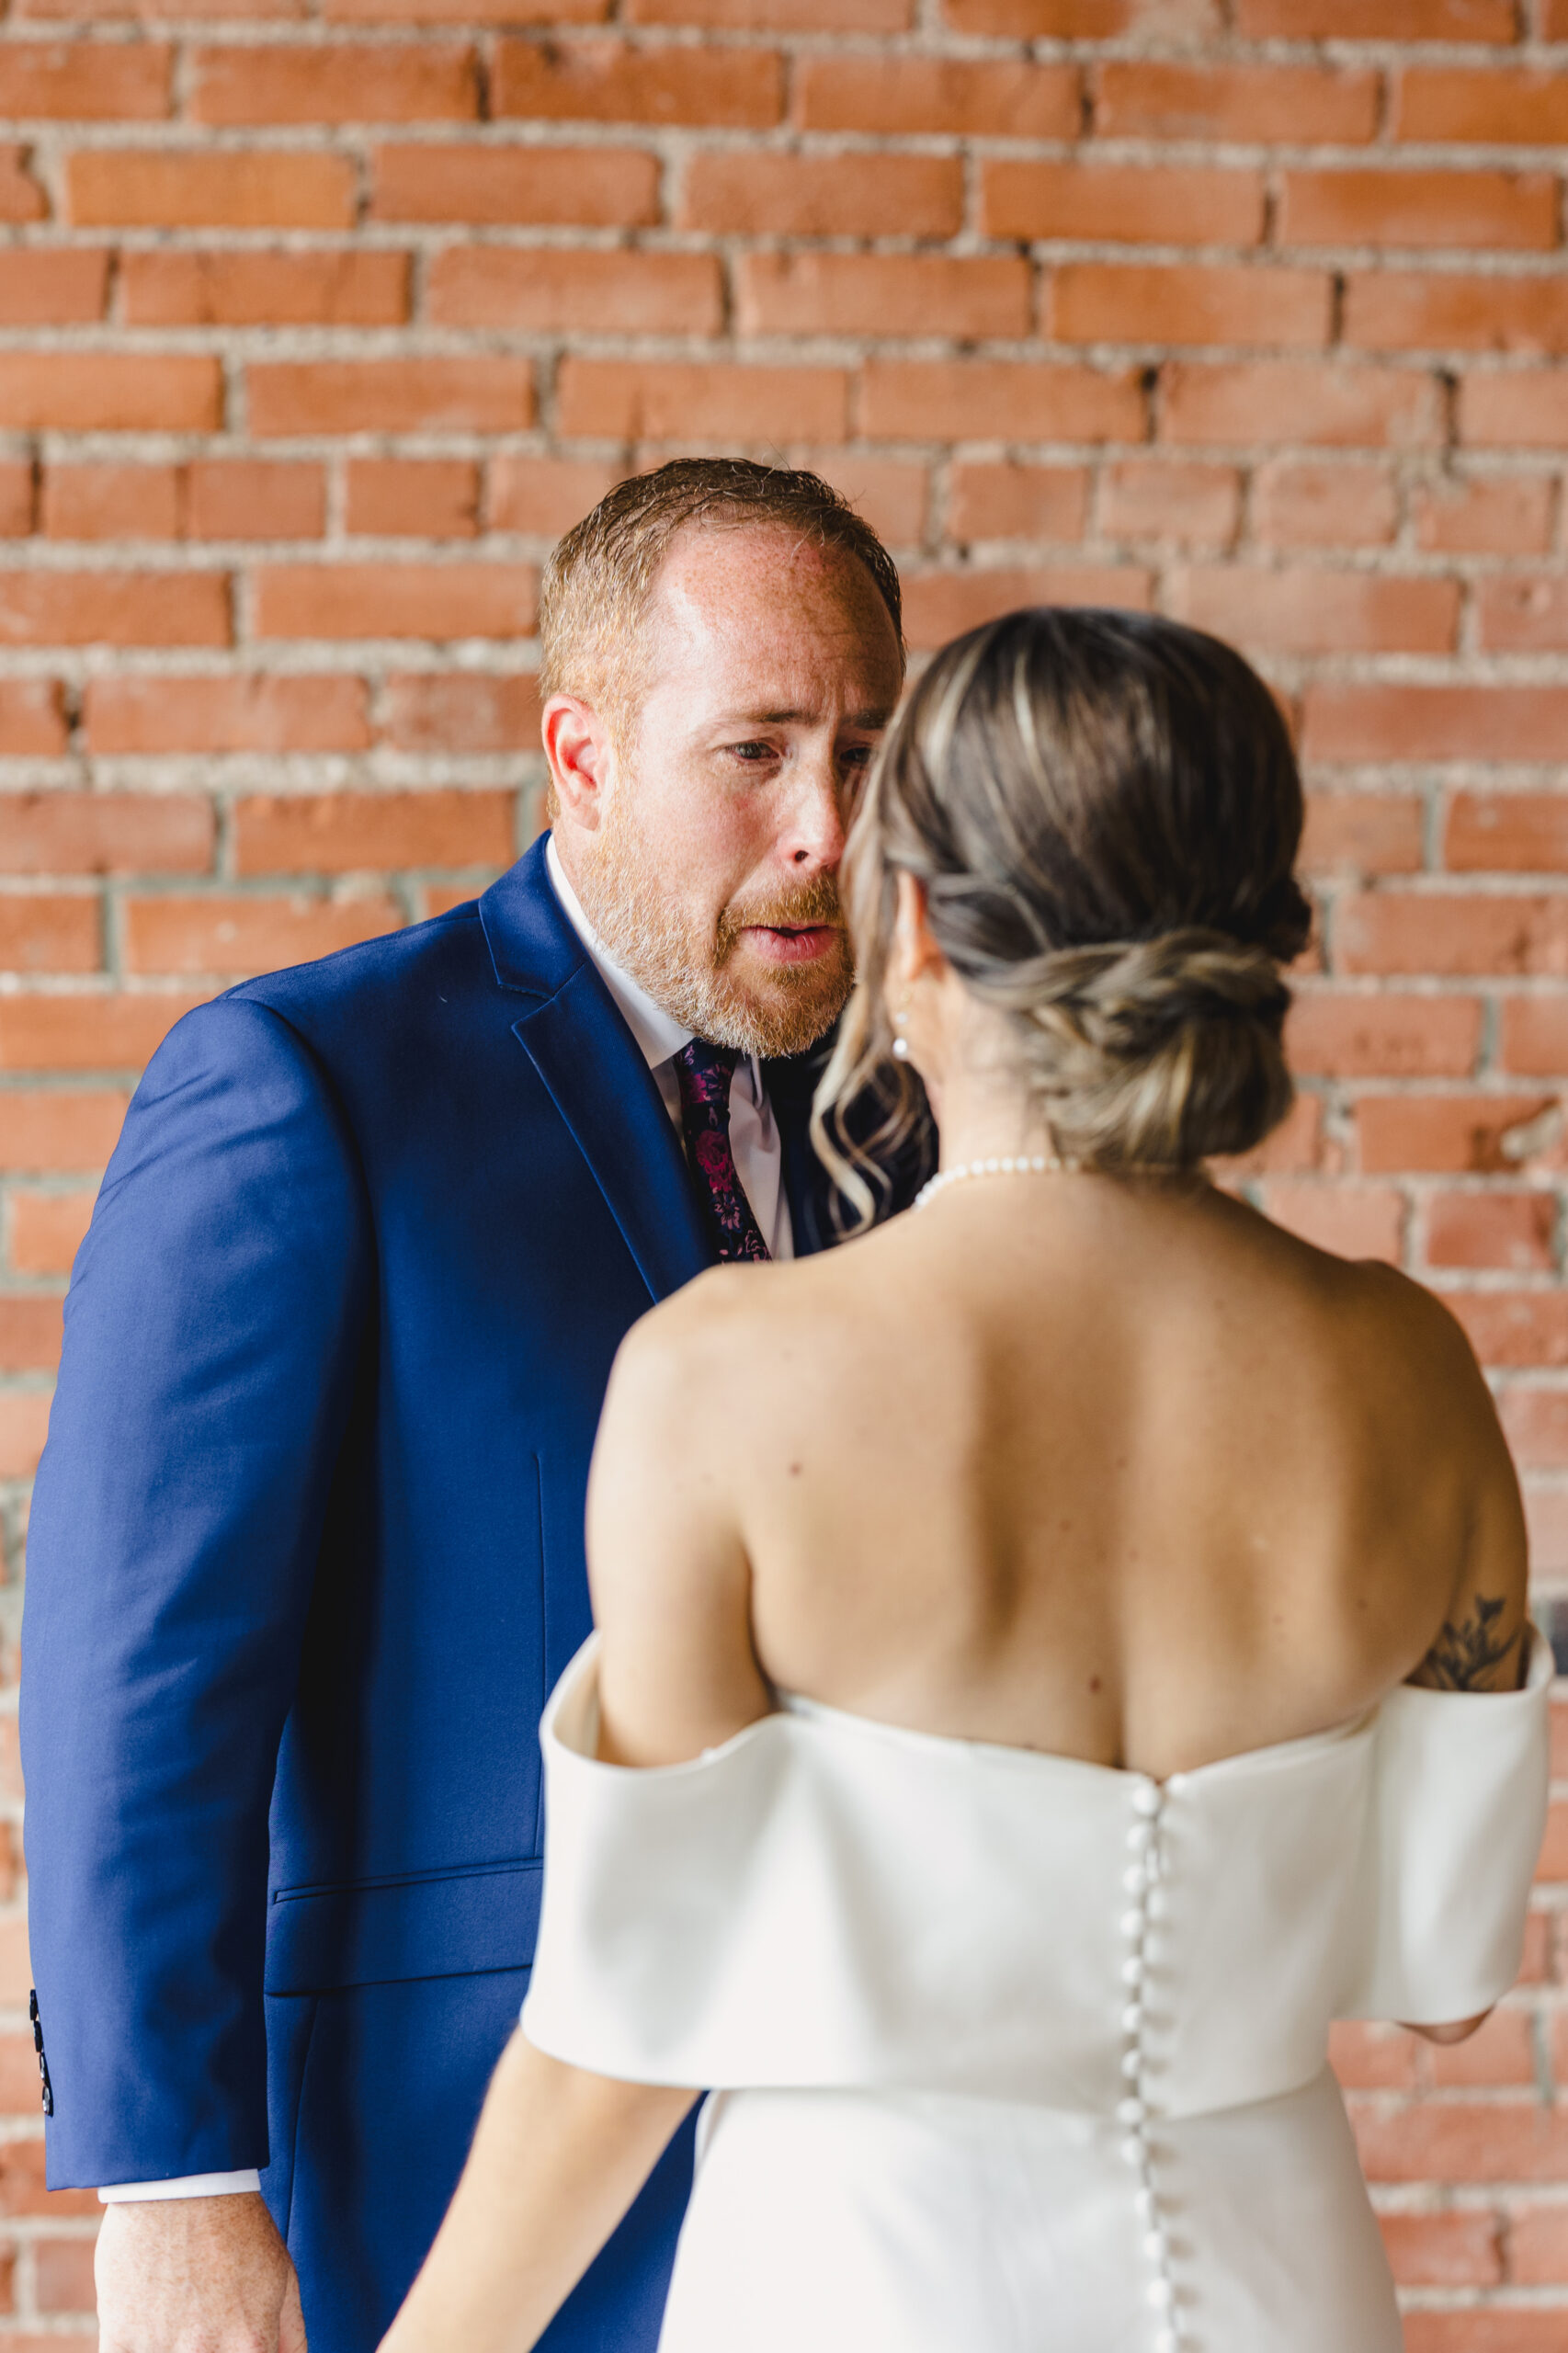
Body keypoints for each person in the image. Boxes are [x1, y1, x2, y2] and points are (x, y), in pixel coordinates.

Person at [382, 608, 1550, 2353]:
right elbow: (1447, 1984)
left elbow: (621, 2041)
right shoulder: (1413, 1375)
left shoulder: (726, 1382)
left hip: (860, 2289)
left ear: (911, 920)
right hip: (1284, 2295)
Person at [19, 460, 915, 2353]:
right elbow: (141, 1670)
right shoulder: (305, 1086)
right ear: (580, 757)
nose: (825, 825)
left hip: (884, 2173)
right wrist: (174, 2189)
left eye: (861, 747)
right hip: (455, 2184)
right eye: (753, 750)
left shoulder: (926, 1120)